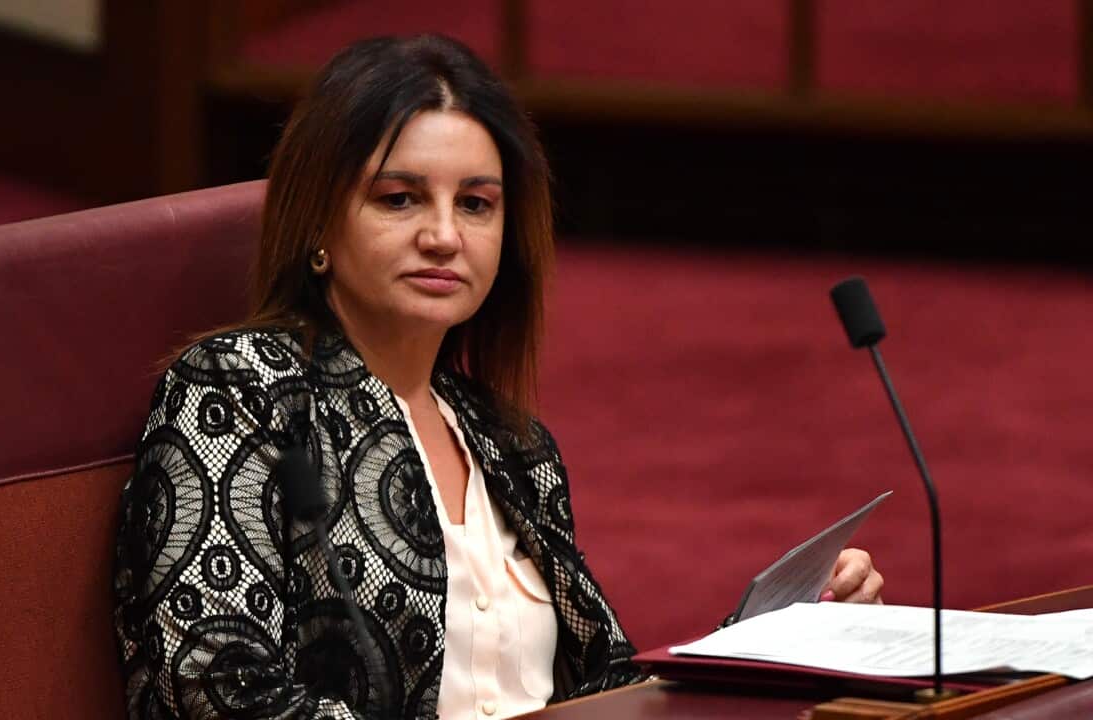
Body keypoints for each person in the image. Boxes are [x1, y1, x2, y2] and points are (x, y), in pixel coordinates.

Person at [112, 34, 883, 720]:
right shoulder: (237, 392)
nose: (444, 235)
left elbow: (607, 693)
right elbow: (214, 686)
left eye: (475, 204)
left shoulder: (513, 448)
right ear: (318, 224)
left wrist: (771, 640)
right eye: (400, 198)